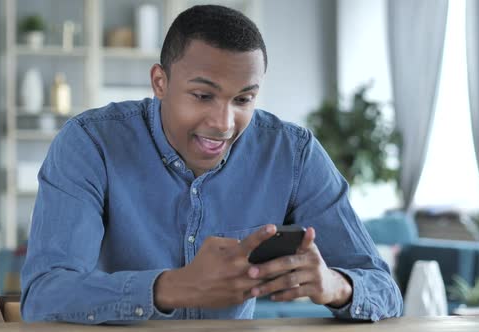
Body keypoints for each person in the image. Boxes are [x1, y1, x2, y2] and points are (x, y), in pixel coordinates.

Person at [20, 5, 403, 324]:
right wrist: (172, 286)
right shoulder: (89, 143)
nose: (223, 123)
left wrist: (334, 285)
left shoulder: (293, 153)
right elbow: (44, 295)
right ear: (160, 82)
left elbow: (386, 291)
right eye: (203, 95)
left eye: (243, 100)